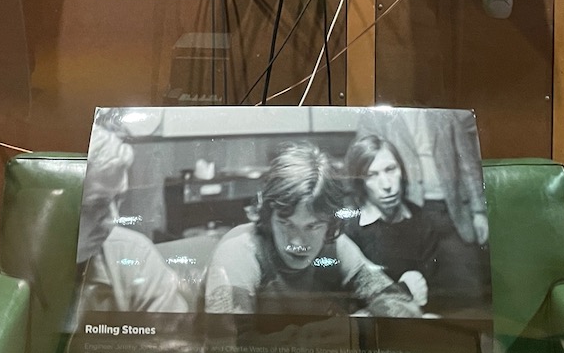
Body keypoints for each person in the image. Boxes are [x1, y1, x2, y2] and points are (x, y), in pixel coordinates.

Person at [202, 141, 422, 319]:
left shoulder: (335, 246)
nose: (297, 242)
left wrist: (348, 327)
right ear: (268, 217)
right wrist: (341, 330)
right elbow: (226, 348)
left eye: (313, 226)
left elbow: (403, 307)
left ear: (330, 225)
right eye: (286, 224)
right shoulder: (240, 251)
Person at [356, 107, 492, 314]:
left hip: (451, 213)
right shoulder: (375, 117)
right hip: (407, 214)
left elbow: (467, 163)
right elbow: (364, 163)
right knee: (420, 294)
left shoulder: (446, 114)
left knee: (469, 292)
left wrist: (479, 211)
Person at [75, 124, 187, 314]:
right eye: (96, 205)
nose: (113, 219)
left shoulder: (137, 256)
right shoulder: (22, 258)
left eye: (119, 199)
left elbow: (172, 332)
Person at [340, 135, 439, 311]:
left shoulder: (421, 219)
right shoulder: (349, 227)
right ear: (360, 182)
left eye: (391, 169)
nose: (386, 185)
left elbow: (434, 290)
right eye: (371, 175)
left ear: (402, 171)